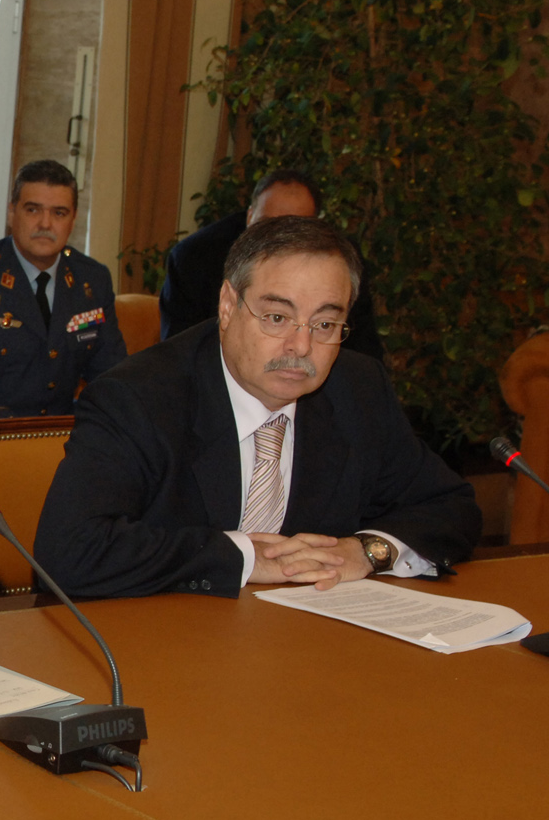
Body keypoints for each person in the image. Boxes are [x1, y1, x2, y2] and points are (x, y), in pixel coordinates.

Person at [34, 215, 479, 599]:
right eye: (277, 317)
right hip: (171, 647)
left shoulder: (357, 389)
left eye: (325, 323)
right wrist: (245, 557)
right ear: (228, 306)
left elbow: (450, 506)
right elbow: (70, 550)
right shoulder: (140, 397)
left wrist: (366, 551)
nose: (301, 345)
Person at [0, 159, 126, 420]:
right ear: (12, 213)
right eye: (33, 210)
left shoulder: (92, 280)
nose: (45, 224)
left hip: (66, 439)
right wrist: (23, 443)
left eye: (59, 213)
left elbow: (111, 374)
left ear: (73, 219)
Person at [159, 168, 386, 360]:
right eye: (266, 225)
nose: (277, 240)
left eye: (293, 229)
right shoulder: (195, 259)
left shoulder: (341, 265)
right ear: (249, 217)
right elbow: (178, 355)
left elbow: (362, 354)